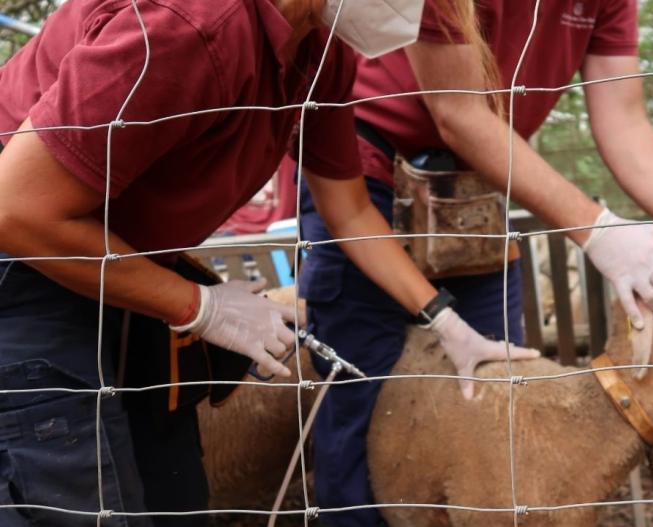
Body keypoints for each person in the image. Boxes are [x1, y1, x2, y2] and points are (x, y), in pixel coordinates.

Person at [0, 0, 530, 525]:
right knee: (76, 498)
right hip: (27, 264)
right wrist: (200, 306)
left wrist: (444, 319)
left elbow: (348, 212)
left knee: (173, 500)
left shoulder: (319, 50)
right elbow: (15, 211)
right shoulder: (192, 23)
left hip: (118, 268)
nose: (421, 13)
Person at [298, 1, 653, 525]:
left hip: (480, 182)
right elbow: (457, 112)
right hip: (364, 174)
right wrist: (601, 233)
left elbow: (626, 121)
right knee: (363, 386)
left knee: (498, 394)